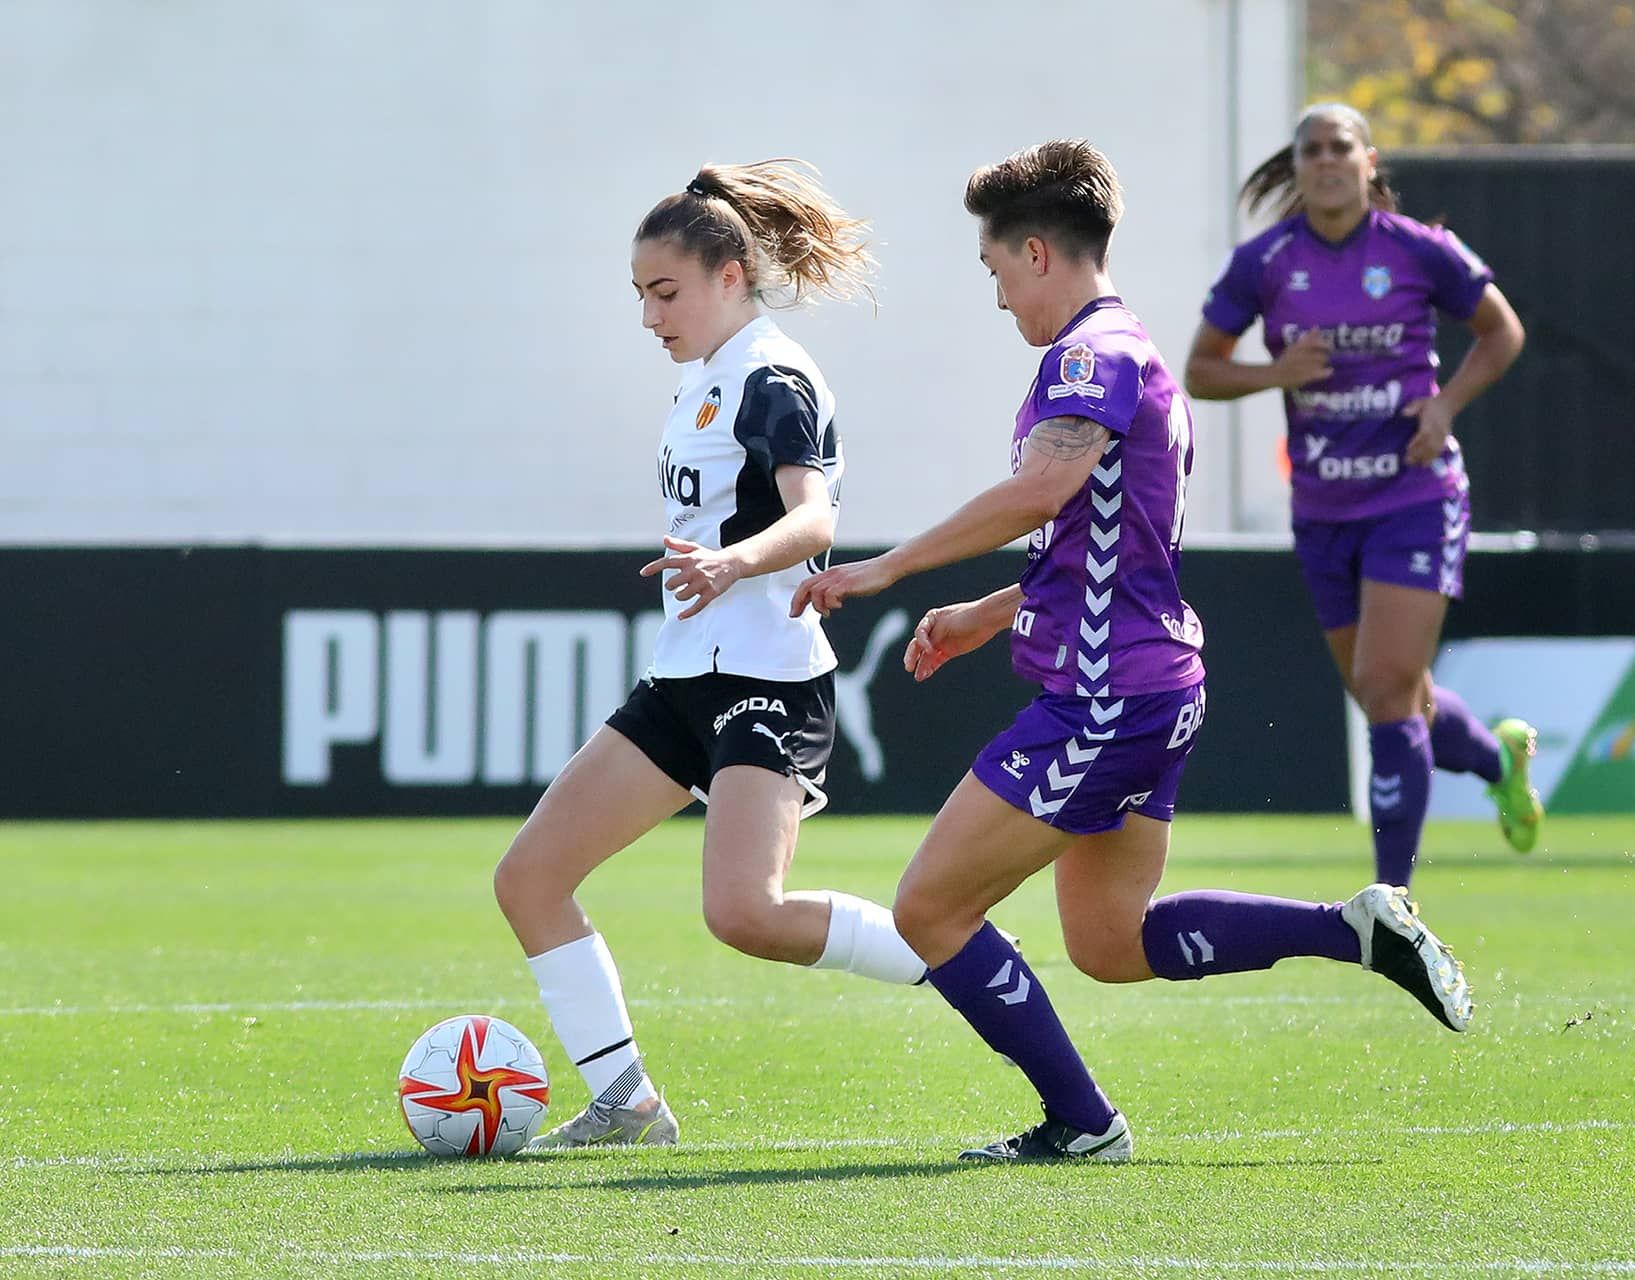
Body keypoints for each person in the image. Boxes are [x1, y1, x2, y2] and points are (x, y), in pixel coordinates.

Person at [793, 139, 1471, 1164]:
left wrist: (884, 570)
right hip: (1152, 683)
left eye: (993, 271)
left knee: (929, 905)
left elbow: (1038, 494)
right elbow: (1108, 544)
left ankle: (1083, 1119)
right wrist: (987, 610)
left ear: (1035, 252)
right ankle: (1355, 928)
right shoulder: (1131, 353)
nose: (995, 297)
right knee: (1111, 941)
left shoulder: (1088, 357)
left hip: (1105, 698)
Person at [492, 160, 929, 1151]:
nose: (649, 314)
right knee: (528, 877)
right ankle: (626, 1104)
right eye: (640, 294)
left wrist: (734, 560)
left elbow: (815, 516)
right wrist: (718, 572)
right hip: (687, 672)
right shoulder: (702, 381)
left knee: (745, 912)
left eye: (665, 291)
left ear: (730, 273)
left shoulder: (775, 376)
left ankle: (952, 951)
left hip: (767, 672)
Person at [1184, 102, 1542, 887]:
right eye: (1310, 149)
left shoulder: (1419, 250)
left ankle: (1394, 903)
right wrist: (1274, 374)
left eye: (1339, 146)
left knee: (1385, 690)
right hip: (1322, 509)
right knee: (1393, 696)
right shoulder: (1266, 262)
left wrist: (1445, 405)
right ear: (1299, 166)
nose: (1325, 160)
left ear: (1369, 161)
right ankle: (1497, 759)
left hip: (1414, 494)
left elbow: (1502, 331)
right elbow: (1200, 371)